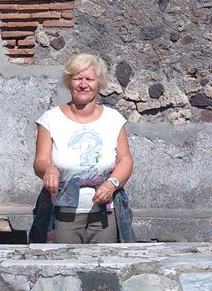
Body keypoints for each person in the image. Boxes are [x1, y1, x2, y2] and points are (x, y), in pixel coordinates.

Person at [29, 53, 135, 243]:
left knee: (103, 267)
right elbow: (41, 161)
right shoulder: (50, 119)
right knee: (64, 266)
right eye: (77, 78)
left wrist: (112, 184)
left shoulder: (113, 119)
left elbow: (125, 160)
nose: (83, 84)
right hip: (63, 212)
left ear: (99, 83)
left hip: (104, 212)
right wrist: (49, 170)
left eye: (89, 79)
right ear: (69, 82)